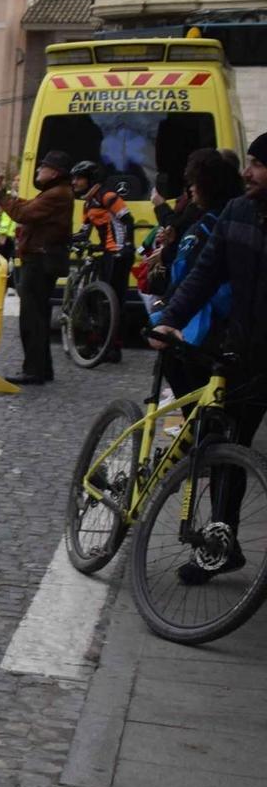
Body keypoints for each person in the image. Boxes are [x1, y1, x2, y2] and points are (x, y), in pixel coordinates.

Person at [147, 132, 267, 582]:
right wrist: (170, 319)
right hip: (241, 355)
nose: (246, 172)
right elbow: (203, 273)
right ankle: (220, 545)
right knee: (227, 451)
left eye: (256, 164)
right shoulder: (238, 212)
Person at [145, 149, 243, 405]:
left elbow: (195, 274)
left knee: (192, 392)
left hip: (202, 327)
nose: (190, 190)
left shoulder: (212, 223)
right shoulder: (213, 217)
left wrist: (164, 311)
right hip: (202, 321)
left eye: (193, 184)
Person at [0, 150, 76, 385]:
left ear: (54, 172)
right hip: (39, 258)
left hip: (39, 261)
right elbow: (27, 206)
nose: (39, 170)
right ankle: (42, 367)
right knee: (37, 316)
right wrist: (7, 194)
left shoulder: (57, 194)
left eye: (43, 167)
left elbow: (23, 213)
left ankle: (34, 370)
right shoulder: (55, 192)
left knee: (33, 318)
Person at [70, 159, 136, 362]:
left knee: (114, 300)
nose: (74, 182)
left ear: (89, 180)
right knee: (98, 300)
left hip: (119, 255)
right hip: (107, 253)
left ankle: (114, 347)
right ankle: (96, 342)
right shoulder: (88, 203)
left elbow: (128, 221)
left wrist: (126, 246)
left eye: (78, 179)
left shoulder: (109, 197)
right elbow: (84, 232)